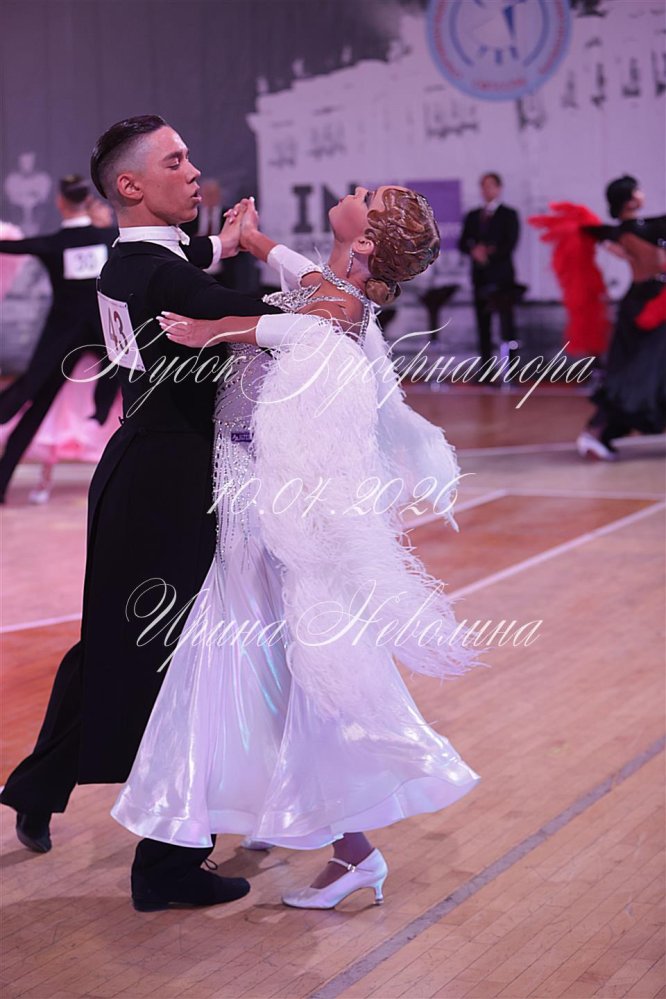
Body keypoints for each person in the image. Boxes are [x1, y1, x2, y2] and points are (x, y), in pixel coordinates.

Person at [111, 186, 481, 910]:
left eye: (366, 197)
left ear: (364, 241)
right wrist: (252, 240)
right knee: (262, 660)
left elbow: (295, 327)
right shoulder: (328, 281)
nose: (355, 190)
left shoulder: (339, 305)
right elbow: (297, 273)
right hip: (243, 478)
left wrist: (216, 330)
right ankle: (293, 816)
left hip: (270, 501)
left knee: (282, 662)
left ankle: (352, 850)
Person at [0, 115, 279, 912]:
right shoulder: (162, 276)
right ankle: (166, 863)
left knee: (119, 647)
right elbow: (259, 312)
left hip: (137, 472)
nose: (193, 172)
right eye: (175, 161)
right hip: (166, 487)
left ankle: (39, 784)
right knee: (180, 662)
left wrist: (224, 243)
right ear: (130, 184)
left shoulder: (128, 260)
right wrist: (330, 277)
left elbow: (188, 265)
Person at [0, 175, 118, 502]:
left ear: (60, 202)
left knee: (33, 402)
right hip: (106, 340)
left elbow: (12, 246)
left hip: (61, 341)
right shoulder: (109, 238)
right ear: (86, 201)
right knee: (135, 391)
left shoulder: (53, 244)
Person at [530, 177, 665, 460]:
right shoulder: (641, 229)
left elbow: (597, 231)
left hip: (639, 303)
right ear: (629, 200)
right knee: (638, 373)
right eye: (637, 190)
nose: (642, 194)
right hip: (649, 306)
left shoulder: (624, 231)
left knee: (638, 371)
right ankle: (596, 431)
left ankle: (599, 432)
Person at [458, 172, 520, 366]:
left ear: (499, 188)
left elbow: (510, 243)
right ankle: (486, 369)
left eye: (491, 186)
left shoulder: (509, 214)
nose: (487, 190)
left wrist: (488, 253)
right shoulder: (473, 216)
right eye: (484, 186)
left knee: (507, 324)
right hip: (480, 277)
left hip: (502, 278)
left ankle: (511, 368)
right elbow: (463, 242)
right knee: (482, 324)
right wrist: (474, 251)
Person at [181, 177, 260, 294]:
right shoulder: (190, 217)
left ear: (219, 195)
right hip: (197, 269)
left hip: (225, 270)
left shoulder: (230, 215)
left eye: (212, 194)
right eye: (206, 194)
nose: (209, 197)